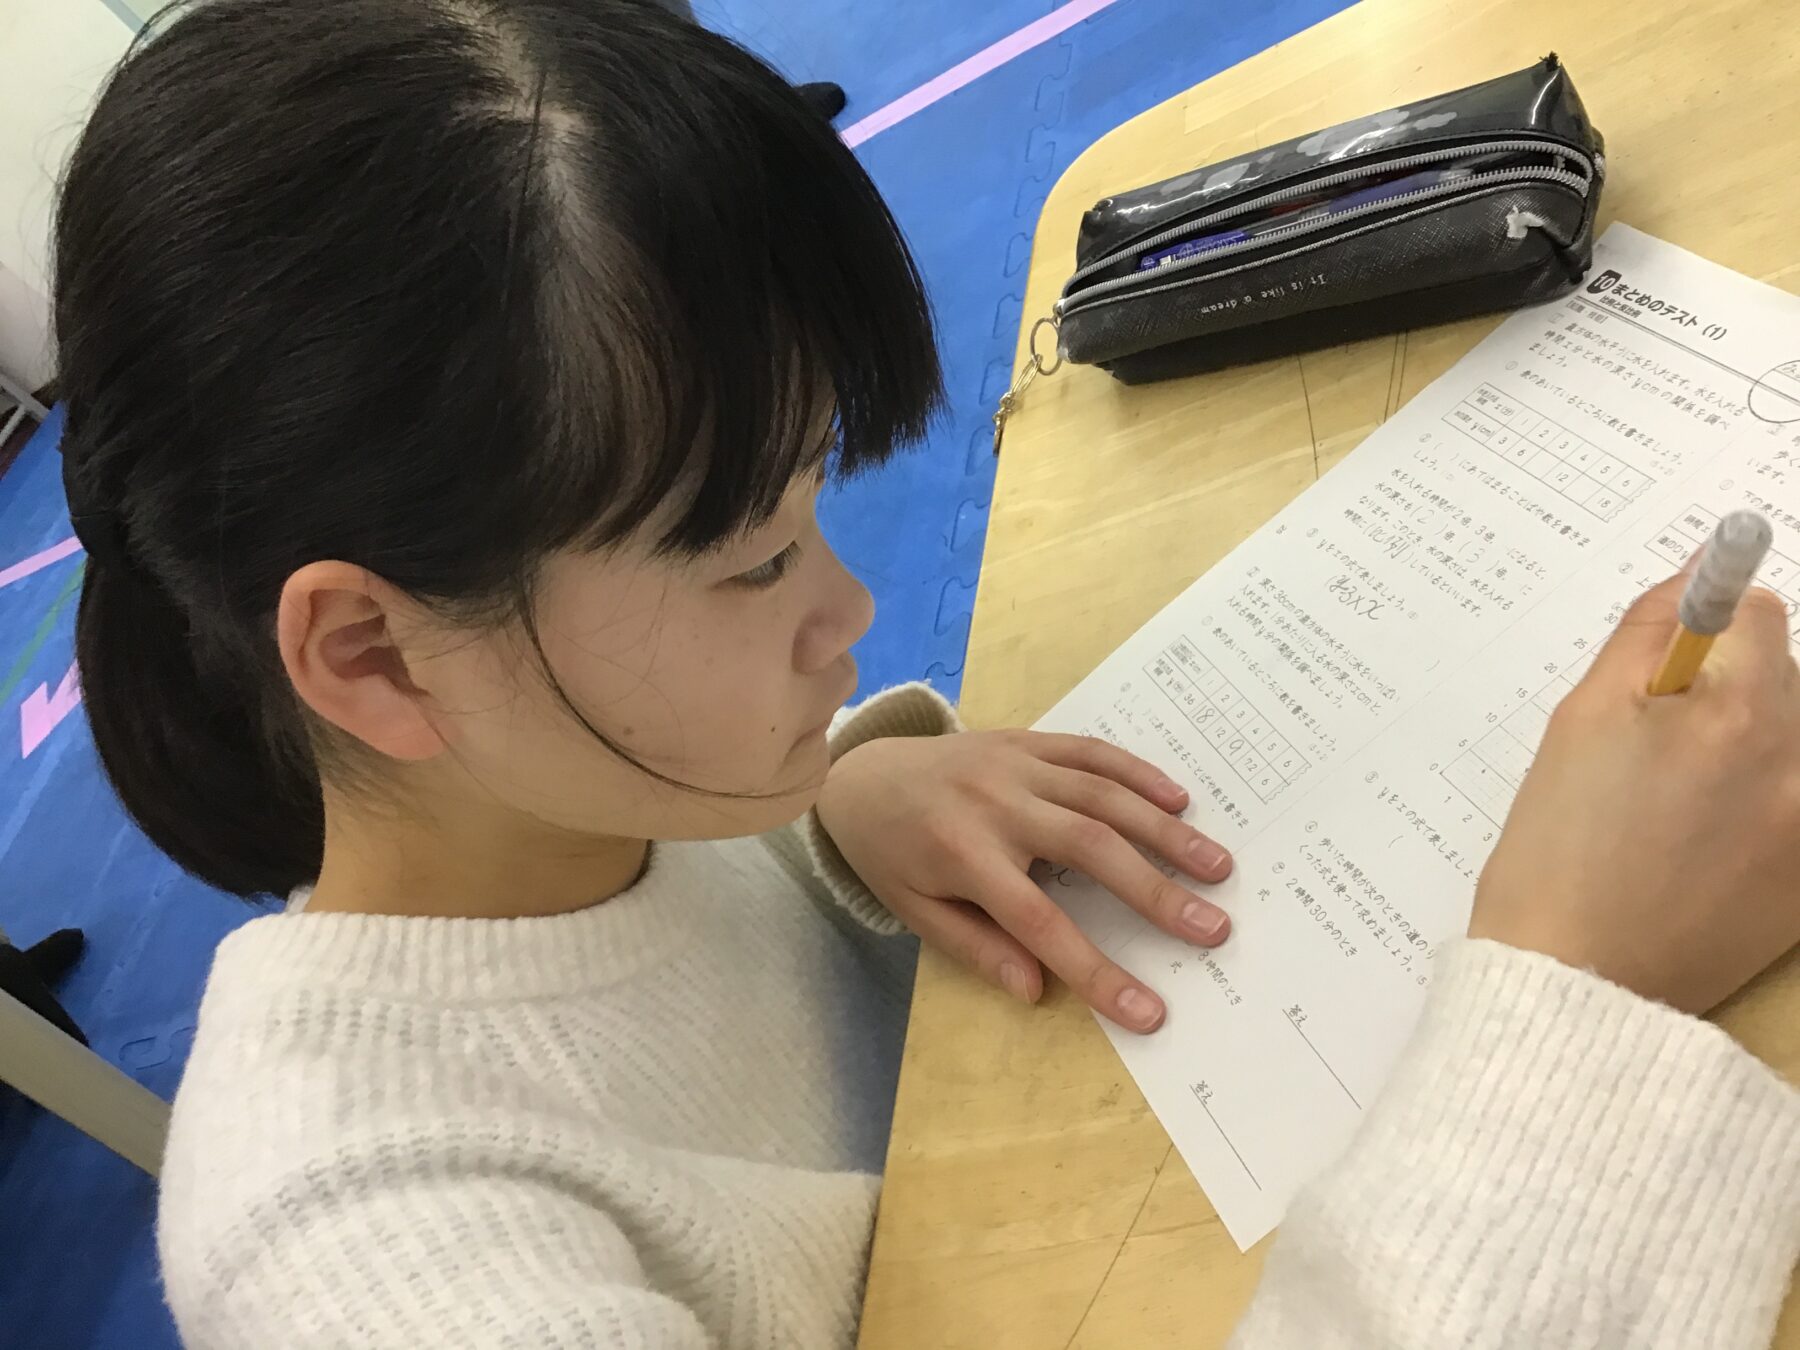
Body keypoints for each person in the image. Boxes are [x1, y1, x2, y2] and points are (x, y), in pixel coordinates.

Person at [51, 1, 1796, 1347]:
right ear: (371, 651)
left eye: (812, 504)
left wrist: (835, 806)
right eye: (753, 562)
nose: (850, 608)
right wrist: (1584, 997)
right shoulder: (358, 1256)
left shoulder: (554, 779)